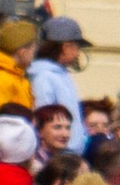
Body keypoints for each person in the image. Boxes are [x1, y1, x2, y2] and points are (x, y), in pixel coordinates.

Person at [29, 14, 91, 148]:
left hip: (68, 153)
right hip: (59, 155)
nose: (78, 53)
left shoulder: (61, 75)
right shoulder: (44, 77)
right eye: (77, 47)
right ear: (66, 47)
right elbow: (45, 116)